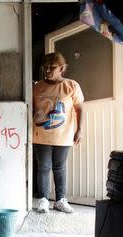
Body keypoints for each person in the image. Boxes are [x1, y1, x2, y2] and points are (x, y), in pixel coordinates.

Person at [33, 52, 84, 214]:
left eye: (52, 67)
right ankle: (43, 200)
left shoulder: (71, 85)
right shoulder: (37, 87)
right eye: (45, 67)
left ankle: (61, 200)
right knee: (43, 167)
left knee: (60, 167)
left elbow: (79, 108)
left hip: (64, 134)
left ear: (62, 68)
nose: (47, 70)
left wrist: (80, 129)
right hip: (41, 134)